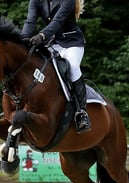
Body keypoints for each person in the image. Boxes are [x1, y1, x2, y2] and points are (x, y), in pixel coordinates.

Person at [21, 0, 91, 134]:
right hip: (53, 42)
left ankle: (81, 112)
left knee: (72, 67)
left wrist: (41, 35)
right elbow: (30, 22)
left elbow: (57, 21)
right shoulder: (35, 1)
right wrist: (21, 40)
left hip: (72, 43)